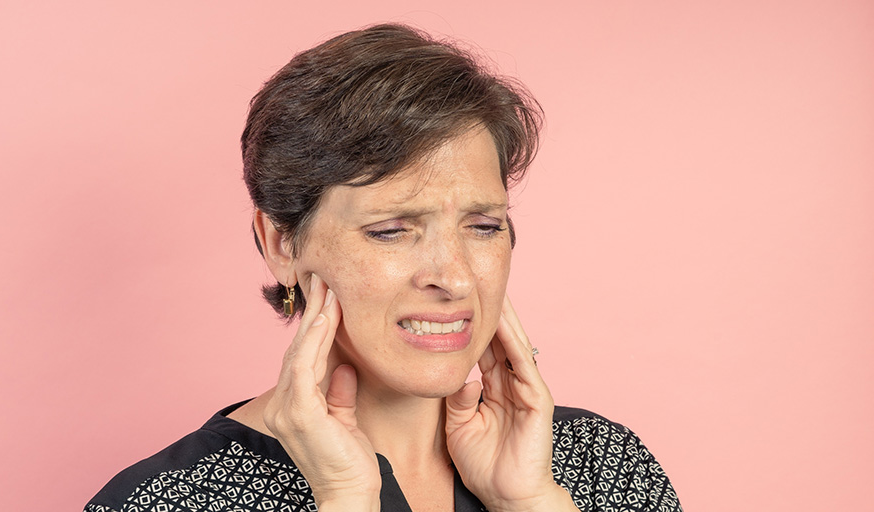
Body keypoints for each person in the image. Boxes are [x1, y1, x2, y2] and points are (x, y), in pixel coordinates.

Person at [84, 24, 682, 512]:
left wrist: (530, 502)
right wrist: (346, 499)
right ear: (281, 242)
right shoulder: (169, 501)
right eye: (391, 230)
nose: (454, 277)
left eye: (483, 226)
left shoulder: (597, 463)